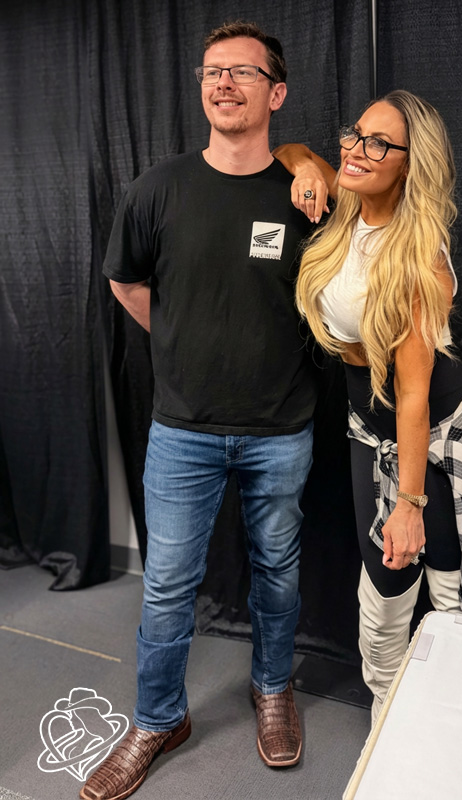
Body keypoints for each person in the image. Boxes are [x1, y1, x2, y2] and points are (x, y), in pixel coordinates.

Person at [80, 21, 331, 800]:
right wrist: (180, 337)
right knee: (166, 584)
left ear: (276, 93)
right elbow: (125, 281)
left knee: (278, 572)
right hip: (182, 430)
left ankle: (272, 689)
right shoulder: (157, 189)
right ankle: (158, 719)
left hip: (280, 428)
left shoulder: (305, 195)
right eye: (213, 70)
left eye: (243, 72)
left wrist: (309, 160)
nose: (223, 82)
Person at [287, 90, 462, 725]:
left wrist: (409, 504)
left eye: (379, 143)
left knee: (449, 587)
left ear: (411, 164)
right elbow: (290, 151)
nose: (356, 150)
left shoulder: (419, 261)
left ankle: (455, 725)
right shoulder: (346, 201)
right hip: (372, 429)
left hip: (442, 429)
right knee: (385, 585)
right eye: (355, 133)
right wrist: (304, 164)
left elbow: (413, 395)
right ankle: (389, 723)